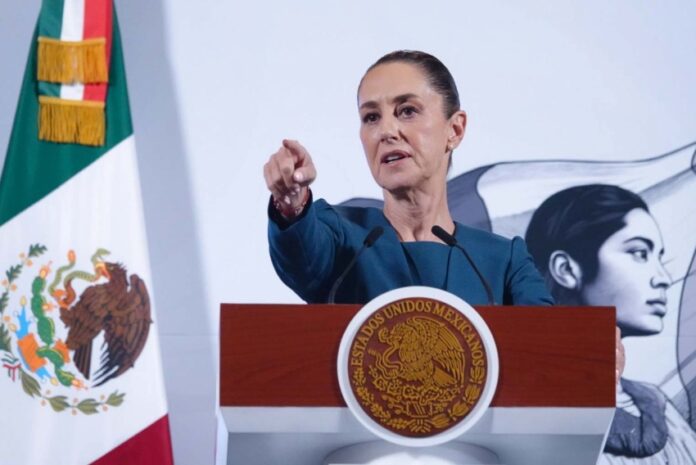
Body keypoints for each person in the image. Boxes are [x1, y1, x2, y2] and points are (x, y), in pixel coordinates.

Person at [263, 50, 554, 306]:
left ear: (454, 130)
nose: (386, 131)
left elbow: (551, 351)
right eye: (371, 117)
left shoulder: (503, 262)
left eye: (407, 111)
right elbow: (302, 257)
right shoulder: (341, 237)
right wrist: (291, 203)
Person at [525, 184, 696, 464]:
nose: (663, 277)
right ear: (566, 270)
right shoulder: (521, 403)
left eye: (659, 257)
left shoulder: (656, 405)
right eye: (640, 253)